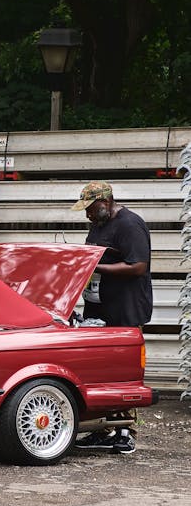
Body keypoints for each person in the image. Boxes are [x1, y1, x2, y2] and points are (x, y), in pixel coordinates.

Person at [70, 181, 153, 455]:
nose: (87, 215)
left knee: (123, 370)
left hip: (125, 308)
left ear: (105, 202)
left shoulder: (131, 224)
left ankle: (125, 432)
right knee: (99, 368)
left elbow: (138, 266)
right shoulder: (99, 224)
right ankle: (101, 429)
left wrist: (96, 267)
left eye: (91, 209)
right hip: (98, 306)